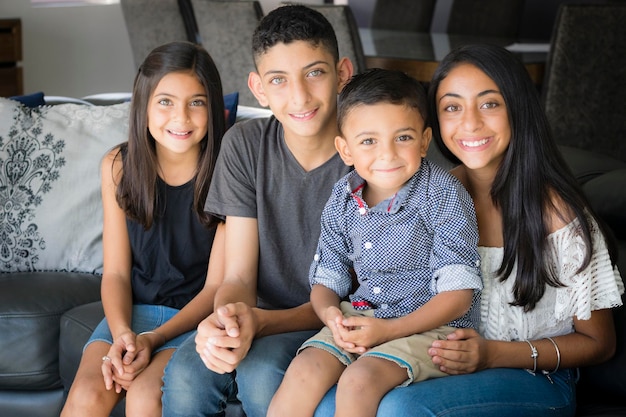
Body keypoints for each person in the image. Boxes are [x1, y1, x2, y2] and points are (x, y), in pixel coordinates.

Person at [313, 43, 625, 417]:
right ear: (434, 124)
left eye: (490, 103)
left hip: (533, 376)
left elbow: (599, 343)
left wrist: (494, 354)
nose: (470, 122)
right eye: (452, 107)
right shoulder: (430, 197)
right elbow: (357, 287)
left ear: (517, 108)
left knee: (400, 409)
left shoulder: (558, 215)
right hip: (430, 353)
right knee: (330, 398)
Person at [160, 5, 354, 417]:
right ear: (258, 88)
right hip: (256, 314)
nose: (299, 96)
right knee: (186, 374)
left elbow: (353, 295)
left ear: (343, 72)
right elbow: (238, 276)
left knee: (263, 372)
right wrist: (229, 318)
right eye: (278, 80)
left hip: (330, 321)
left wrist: (260, 323)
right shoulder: (244, 146)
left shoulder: (367, 152)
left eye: (315, 73)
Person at [267, 68, 483, 417]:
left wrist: (388, 331)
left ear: (425, 141)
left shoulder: (443, 194)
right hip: (364, 316)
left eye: (403, 138)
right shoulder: (342, 197)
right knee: (305, 370)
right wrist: (332, 316)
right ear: (345, 149)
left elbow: (458, 297)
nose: (388, 154)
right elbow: (327, 280)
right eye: (369, 141)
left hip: (432, 327)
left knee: (359, 380)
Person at [60, 41, 226, 417]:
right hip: (132, 317)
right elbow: (116, 272)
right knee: (87, 394)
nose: (180, 117)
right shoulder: (118, 166)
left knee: (145, 398)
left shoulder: (225, 173)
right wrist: (122, 335)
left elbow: (217, 287)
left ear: (212, 107)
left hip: (193, 319)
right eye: (165, 101)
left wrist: (154, 339)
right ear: (144, 105)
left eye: (196, 102)